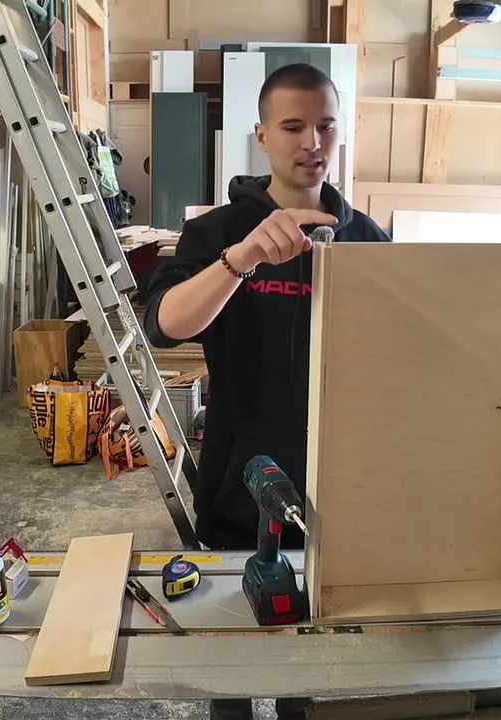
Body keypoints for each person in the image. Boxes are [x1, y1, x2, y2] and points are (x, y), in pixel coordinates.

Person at [142, 63, 391, 720]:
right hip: (240, 481)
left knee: (301, 648)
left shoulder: (366, 239)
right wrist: (243, 258)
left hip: (336, 487)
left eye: (326, 126)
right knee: (231, 650)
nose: (312, 141)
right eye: (293, 126)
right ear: (261, 135)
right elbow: (165, 325)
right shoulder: (219, 233)